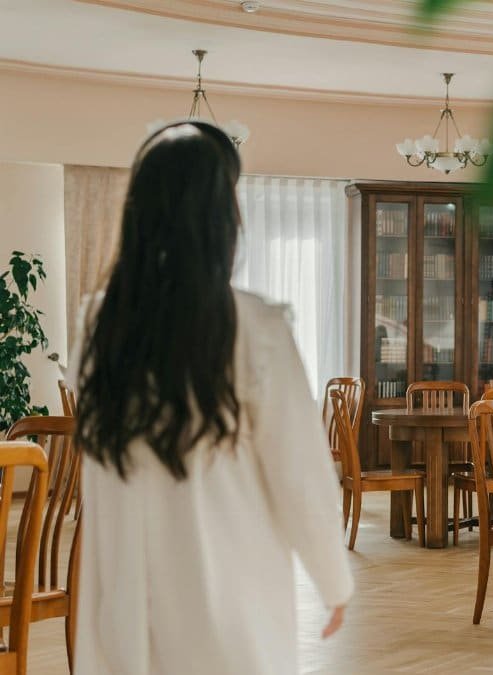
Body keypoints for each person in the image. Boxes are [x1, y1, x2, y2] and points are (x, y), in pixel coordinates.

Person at [69, 120, 353, 675]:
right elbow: (299, 473)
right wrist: (332, 578)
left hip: (122, 599)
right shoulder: (255, 327)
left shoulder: (99, 324)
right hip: (224, 593)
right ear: (222, 218)